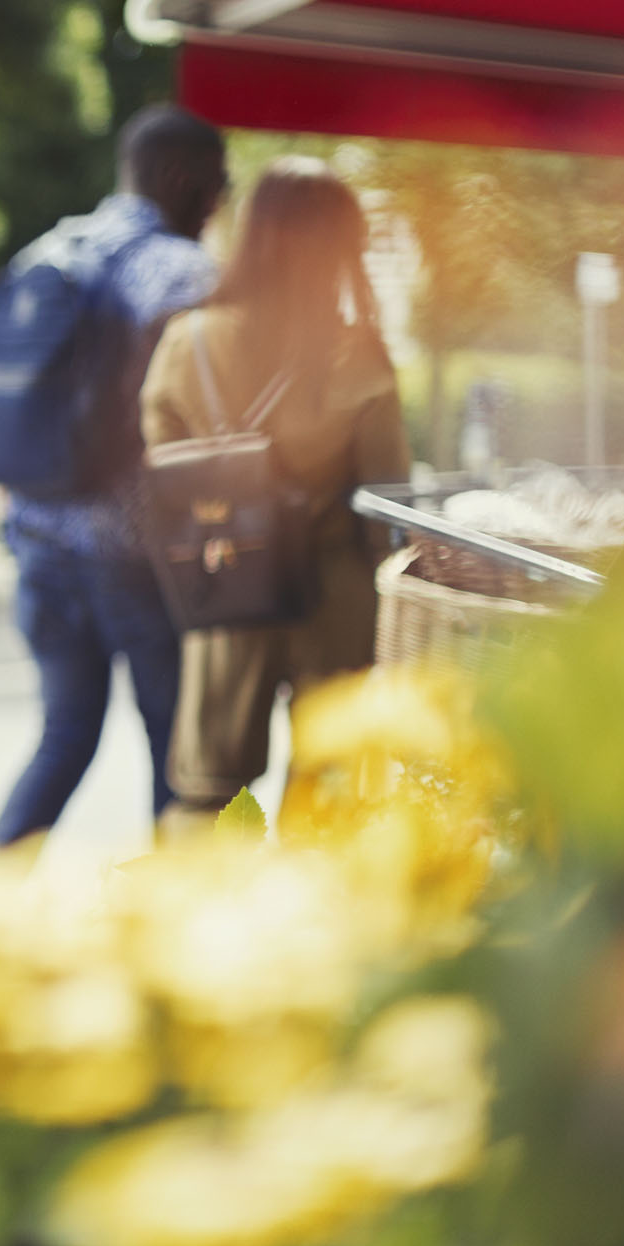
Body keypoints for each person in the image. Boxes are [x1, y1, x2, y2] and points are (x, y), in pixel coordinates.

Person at [0, 105, 228, 847]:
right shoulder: (184, 274)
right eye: (218, 190)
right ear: (181, 179)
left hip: (35, 543)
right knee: (178, 757)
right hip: (136, 557)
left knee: (62, 740)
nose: (219, 208)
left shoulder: (47, 253)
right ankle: (170, 935)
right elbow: (220, 421)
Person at [141, 157, 409, 822]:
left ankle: (194, 920)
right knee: (326, 795)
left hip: (229, 587)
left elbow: (166, 468)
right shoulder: (357, 355)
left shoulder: (188, 341)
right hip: (335, 597)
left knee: (205, 792)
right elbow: (385, 503)